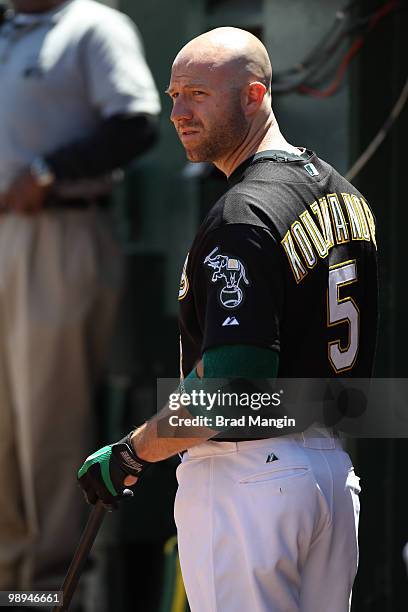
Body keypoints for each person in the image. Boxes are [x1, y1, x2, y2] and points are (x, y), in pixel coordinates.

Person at [78, 27, 378, 612]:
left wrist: (133, 451)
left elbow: (233, 391)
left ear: (255, 95)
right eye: (172, 96)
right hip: (330, 476)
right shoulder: (344, 196)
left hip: (250, 481)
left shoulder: (243, 213)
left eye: (197, 94)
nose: (179, 112)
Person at [0, 0, 160, 596]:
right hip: (7, 234)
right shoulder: (10, 28)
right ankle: (11, 581)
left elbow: (136, 121)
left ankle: (49, 589)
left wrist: (47, 170)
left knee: (49, 417)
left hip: (60, 228)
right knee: (6, 425)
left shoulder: (92, 25)